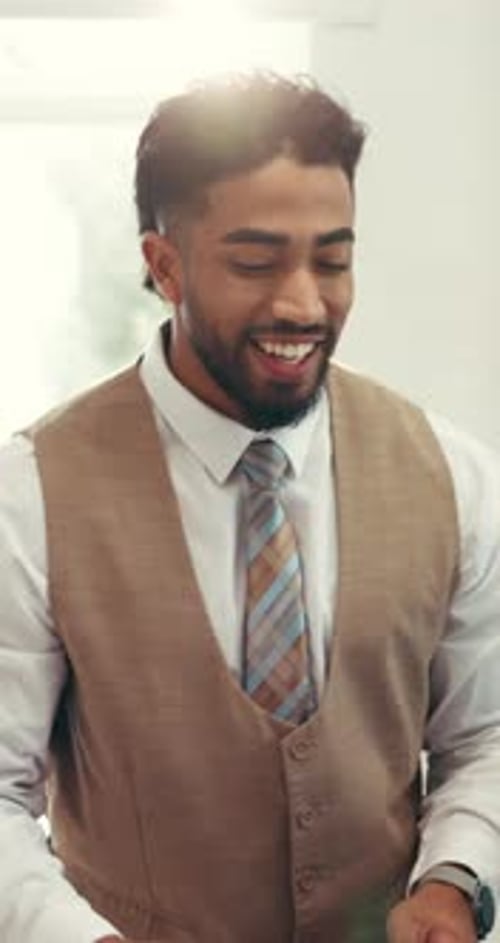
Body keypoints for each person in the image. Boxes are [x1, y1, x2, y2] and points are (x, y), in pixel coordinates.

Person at [0, 73, 499, 943]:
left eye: (333, 260)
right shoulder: (31, 492)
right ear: (164, 266)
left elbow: (486, 737)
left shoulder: (453, 473)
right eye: (256, 262)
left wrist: (457, 880)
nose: (303, 303)